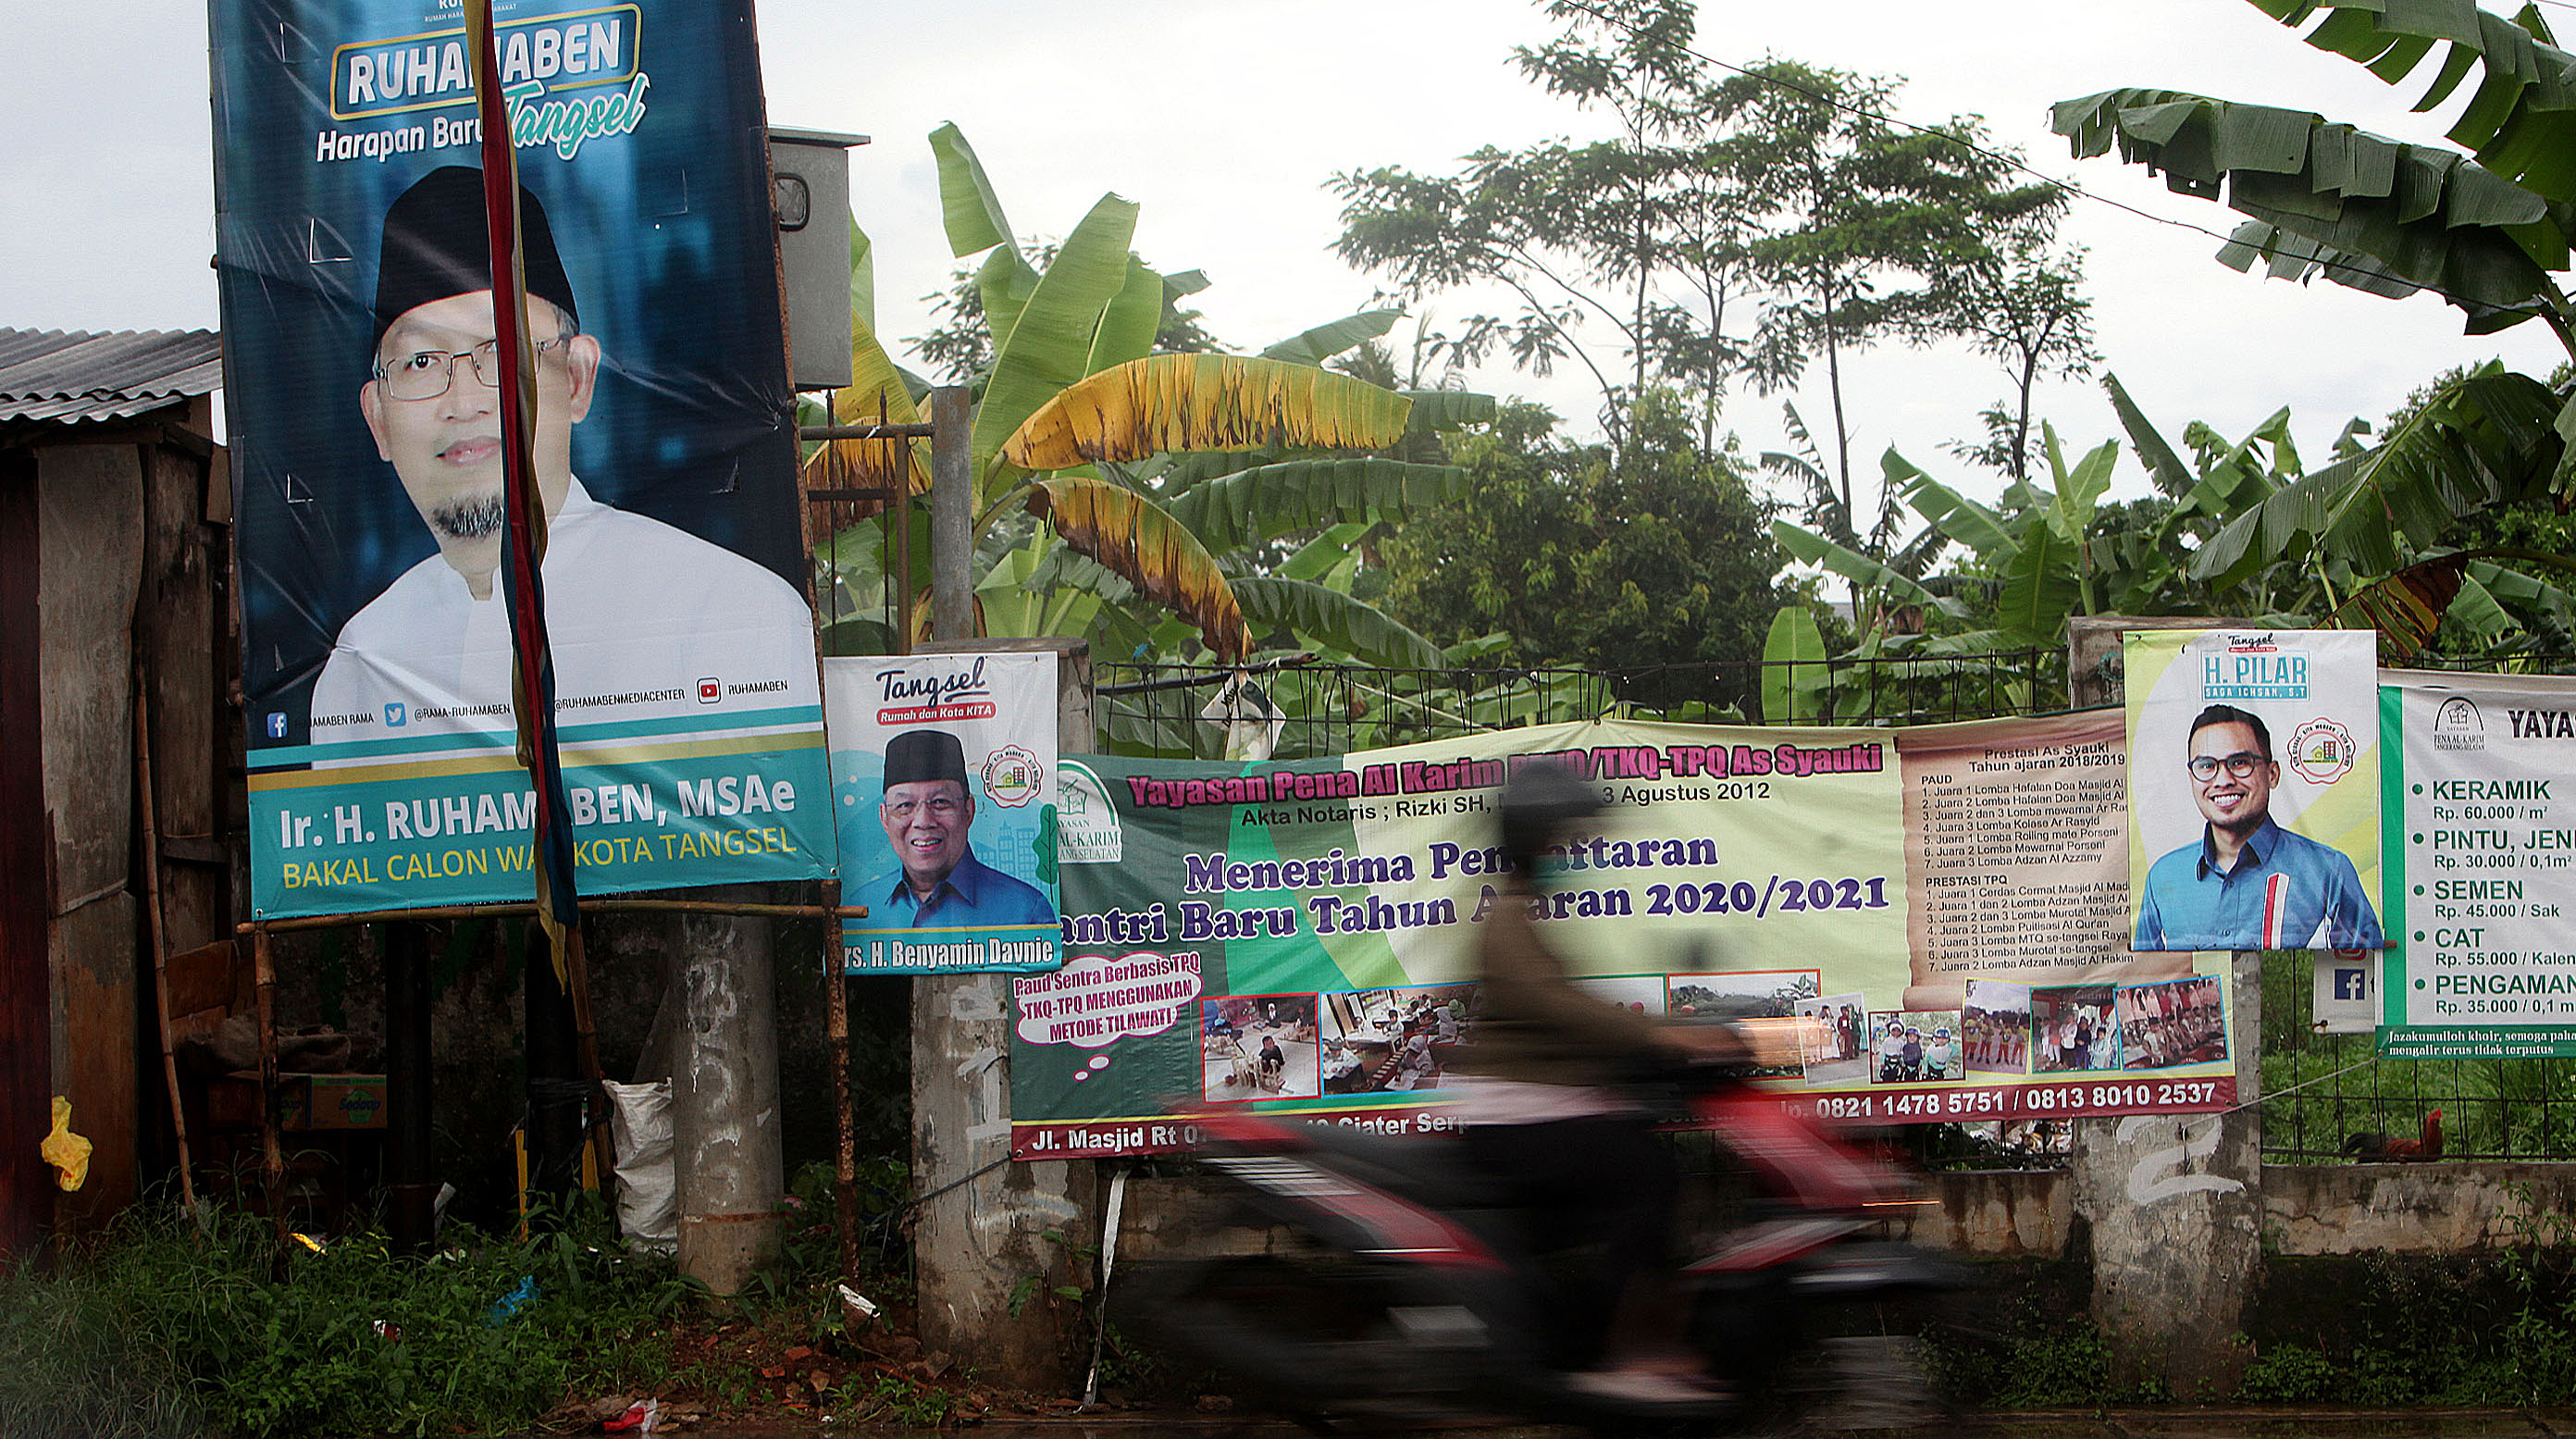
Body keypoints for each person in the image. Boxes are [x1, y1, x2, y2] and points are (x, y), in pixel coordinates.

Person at [310, 166, 818, 744]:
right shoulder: (363, 662)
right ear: (378, 419)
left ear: (577, 380)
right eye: (421, 363)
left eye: (504, 353)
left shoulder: (732, 615)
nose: (465, 401)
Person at [1446, 764, 1739, 1404]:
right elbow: (1561, 1009)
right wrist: (1664, 1036)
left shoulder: (1524, 915)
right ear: (1533, 839)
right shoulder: (1505, 921)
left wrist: (1667, 1036)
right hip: (1515, 1120)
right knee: (1647, 1173)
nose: (1568, 853)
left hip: (1539, 1108)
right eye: (1560, 839)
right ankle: (1631, 1354)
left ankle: (1596, 1336)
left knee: (1640, 1154)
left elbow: (1569, 1013)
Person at [2135, 704, 2384, 949]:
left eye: (2240, 762)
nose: (2223, 780)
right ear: (2191, 778)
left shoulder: (2328, 872)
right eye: (2207, 766)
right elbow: (2145, 980)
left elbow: (2364, 972)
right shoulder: (2163, 878)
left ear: (2272, 774)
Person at [862, 729, 1055, 927]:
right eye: (905, 805)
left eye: (940, 802)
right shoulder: (859, 908)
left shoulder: (1025, 910)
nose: (923, 821)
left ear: (968, 811)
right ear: (884, 818)